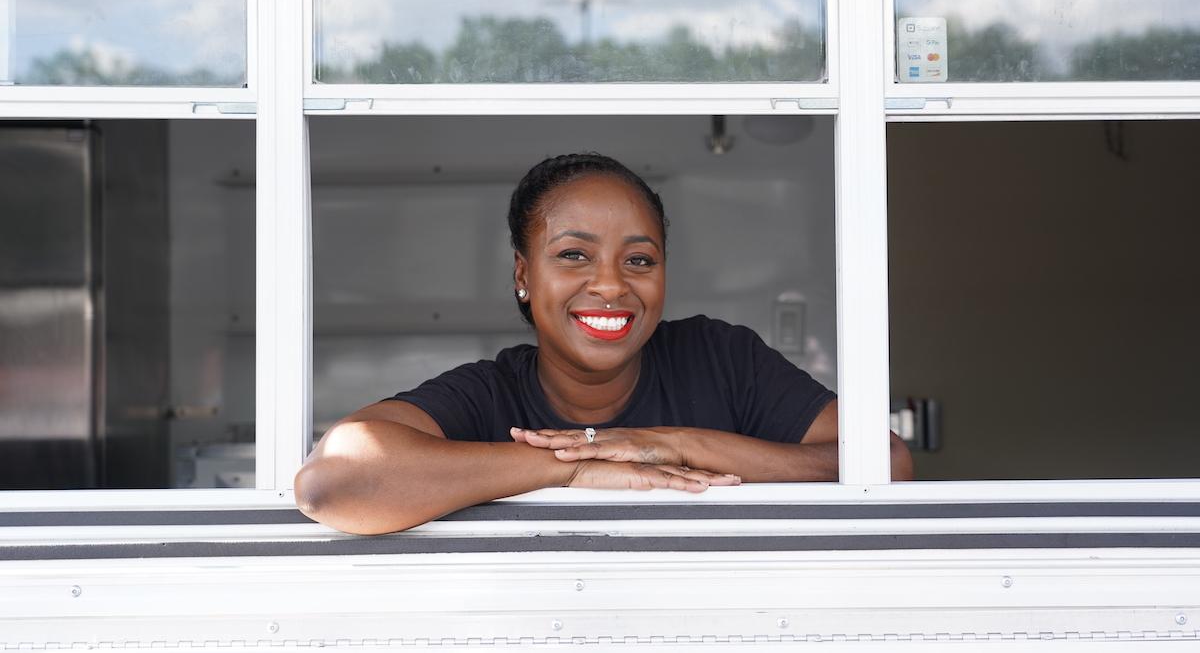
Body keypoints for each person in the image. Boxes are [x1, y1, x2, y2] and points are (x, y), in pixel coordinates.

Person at [295, 153, 913, 534]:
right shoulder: (488, 394)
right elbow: (334, 484)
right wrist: (576, 469)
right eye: (573, 255)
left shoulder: (722, 358)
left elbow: (888, 463)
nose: (612, 285)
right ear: (522, 275)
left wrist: (670, 444)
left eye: (639, 259)